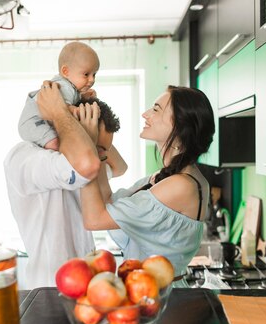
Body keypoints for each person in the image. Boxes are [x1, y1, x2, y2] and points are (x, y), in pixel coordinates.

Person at [80, 85, 216, 287]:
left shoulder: (181, 185)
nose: (145, 114)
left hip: (160, 298)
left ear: (179, 125)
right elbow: (108, 199)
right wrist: (97, 135)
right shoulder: (169, 179)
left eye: (156, 109)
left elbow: (94, 220)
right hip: (150, 291)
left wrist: (85, 143)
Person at [4, 80, 123, 289]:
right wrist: (63, 114)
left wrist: (88, 130)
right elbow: (86, 164)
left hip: (88, 283)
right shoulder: (25, 156)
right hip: (50, 290)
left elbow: (121, 167)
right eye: (98, 149)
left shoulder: (87, 160)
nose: (102, 157)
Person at [18, 41, 100, 151]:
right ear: (66, 71)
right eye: (86, 74)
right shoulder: (64, 87)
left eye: (94, 74)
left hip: (38, 122)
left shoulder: (71, 88)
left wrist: (83, 96)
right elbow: (63, 108)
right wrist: (81, 110)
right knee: (55, 144)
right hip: (33, 122)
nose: (92, 80)